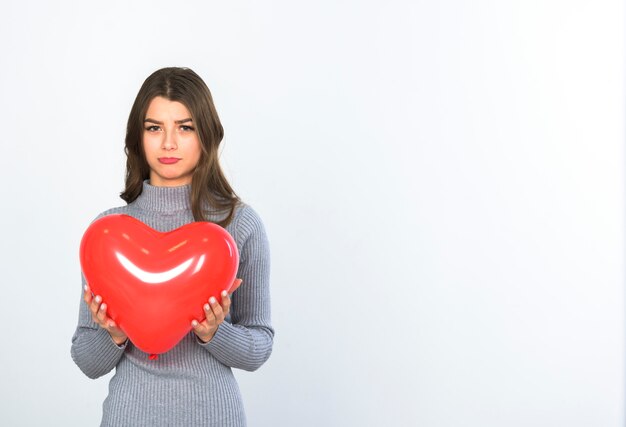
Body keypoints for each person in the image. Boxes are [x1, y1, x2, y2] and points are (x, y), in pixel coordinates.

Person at [70, 67, 273, 427]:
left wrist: (214, 332)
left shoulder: (240, 224)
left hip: (214, 417)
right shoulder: (107, 236)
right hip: (128, 417)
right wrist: (115, 334)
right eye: (154, 128)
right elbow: (86, 360)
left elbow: (260, 345)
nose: (168, 143)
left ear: (206, 134)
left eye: (185, 127)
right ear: (138, 136)